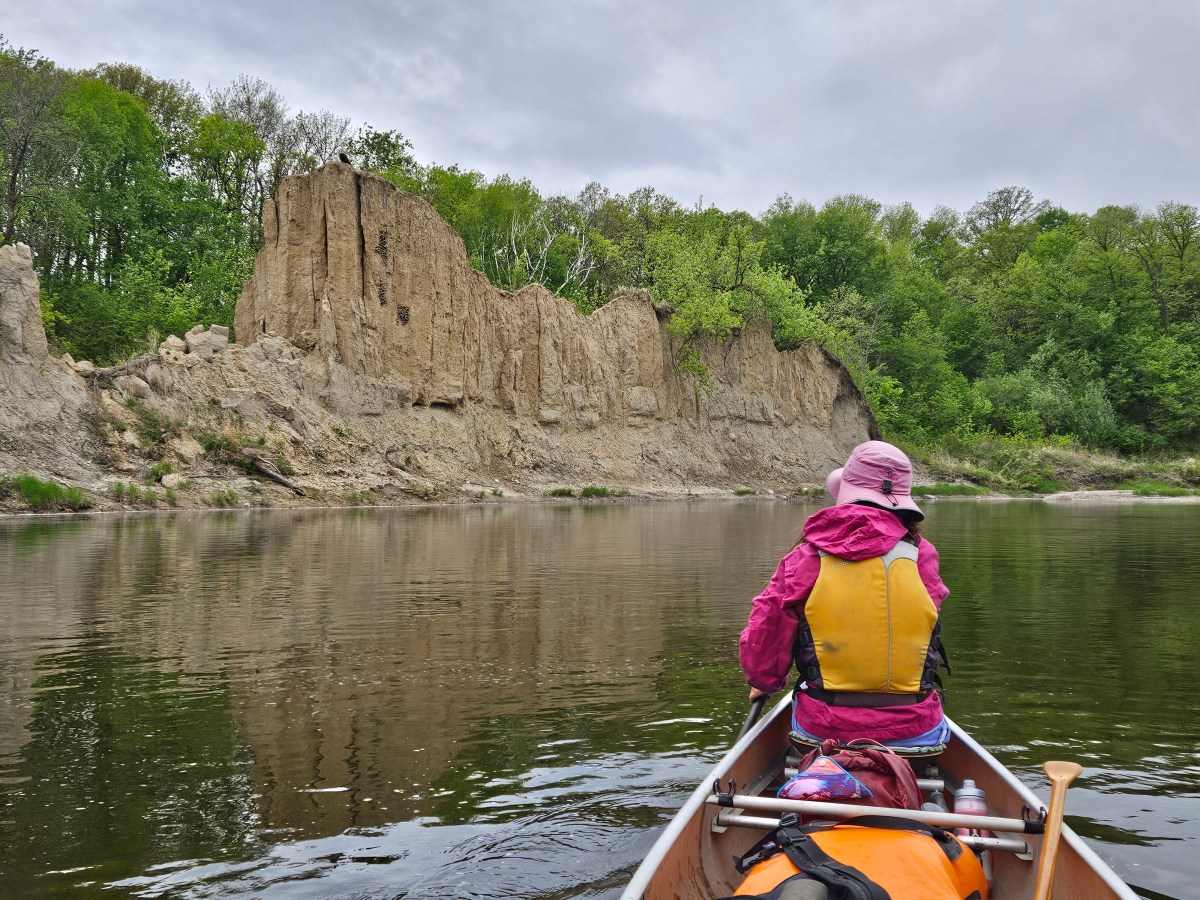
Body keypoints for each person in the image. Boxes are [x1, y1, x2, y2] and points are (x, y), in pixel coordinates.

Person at [740, 440, 950, 754]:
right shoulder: (923, 555)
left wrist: (763, 682)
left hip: (823, 730)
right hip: (916, 732)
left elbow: (767, 633)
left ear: (847, 491)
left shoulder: (805, 557)